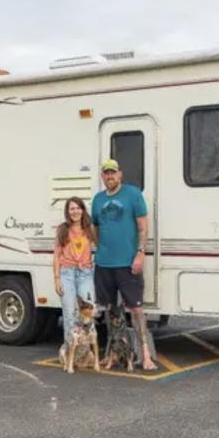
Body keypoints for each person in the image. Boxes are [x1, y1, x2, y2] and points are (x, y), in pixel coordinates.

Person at [92, 158, 156, 370]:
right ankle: (112, 352)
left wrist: (140, 253)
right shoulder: (98, 200)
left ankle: (145, 353)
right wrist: (100, 248)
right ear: (102, 177)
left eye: (113, 173)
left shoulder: (133, 194)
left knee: (136, 308)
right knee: (111, 311)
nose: (109, 176)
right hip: (104, 264)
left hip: (128, 263)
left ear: (120, 175)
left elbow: (143, 227)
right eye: (106, 173)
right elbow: (96, 229)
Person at [52, 197, 96, 354]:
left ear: (83, 210)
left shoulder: (89, 228)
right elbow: (57, 256)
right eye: (72, 209)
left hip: (85, 273)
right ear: (67, 212)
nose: (75, 211)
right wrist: (57, 279)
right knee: (69, 313)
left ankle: (84, 352)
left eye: (78, 208)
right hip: (67, 274)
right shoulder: (62, 230)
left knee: (88, 313)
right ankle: (70, 351)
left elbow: (100, 246)